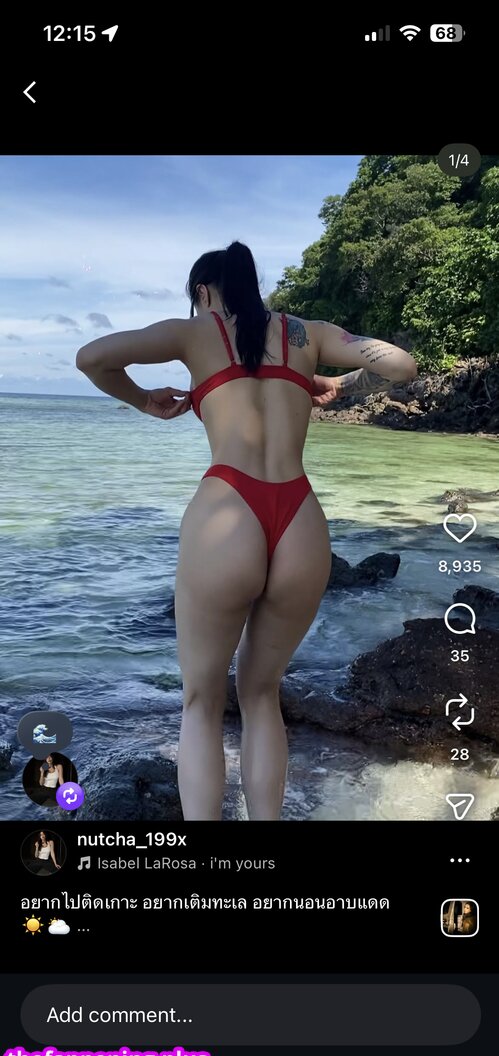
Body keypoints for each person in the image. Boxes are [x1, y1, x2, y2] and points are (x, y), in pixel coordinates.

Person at [76, 240, 416, 820]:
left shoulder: (195, 331)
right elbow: (400, 365)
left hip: (227, 511)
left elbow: (92, 357)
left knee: (201, 702)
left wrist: (142, 400)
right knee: (261, 696)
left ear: (203, 292)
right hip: (299, 518)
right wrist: (339, 385)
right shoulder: (306, 334)